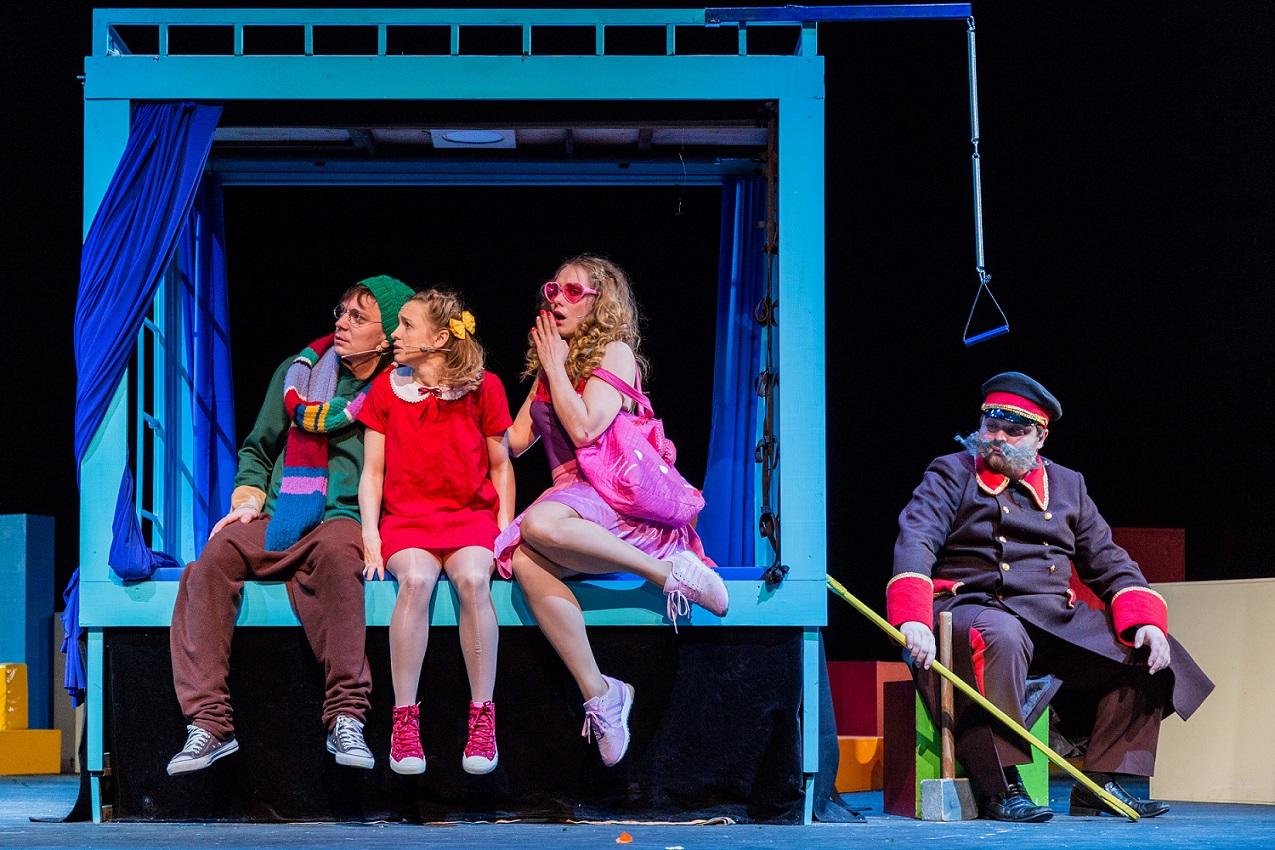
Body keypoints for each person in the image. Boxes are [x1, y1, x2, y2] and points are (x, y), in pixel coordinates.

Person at [887, 372, 1214, 821]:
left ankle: (1099, 781)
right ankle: (1001, 785)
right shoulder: (952, 472)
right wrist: (914, 616)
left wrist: (1145, 622)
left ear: (1040, 437)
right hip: (972, 607)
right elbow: (917, 539)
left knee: (1151, 651)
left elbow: (1108, 560)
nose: (998, 438)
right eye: (991, 426)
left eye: (1014, 431)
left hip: (1050, 616)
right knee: (1001, 635)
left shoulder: (1067, 485)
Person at [167, 274, 414, 775]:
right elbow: (258, 449)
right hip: (282, 515)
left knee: (340, 560)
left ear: (386, 334)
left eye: (358, 317)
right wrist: (247, 500)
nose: (342, 323)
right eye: (341, 312)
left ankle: (346, 716)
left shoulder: (397, 389)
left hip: (342, 519)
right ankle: (210, 725)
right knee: (212, 559)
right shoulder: (299, 374)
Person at [494, 254, 729, 768]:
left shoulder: (615, 353)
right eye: (553, 289)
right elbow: (512, 441)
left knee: (538, 524)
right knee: (526, 560)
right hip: (574, 504)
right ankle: (601, 694)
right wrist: (458, 396)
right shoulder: (551, 369)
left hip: (615, 497)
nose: (557, 299)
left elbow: (584, 430)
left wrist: (556, 367)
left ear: (602, 303)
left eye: (573, 291)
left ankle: (668, 572)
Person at [358, 289, 513, 775]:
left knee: (473, 579)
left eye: (406, 325)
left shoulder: (485, 388)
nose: (395, 334)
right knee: (415, 581)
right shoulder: (387, 390)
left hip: (470, 517)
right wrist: (370, 534)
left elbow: (501, 467)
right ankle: (404, 722)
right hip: (407, 520)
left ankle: (483, 717)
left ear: (440, 338)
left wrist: (504, 534)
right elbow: (373, 473)